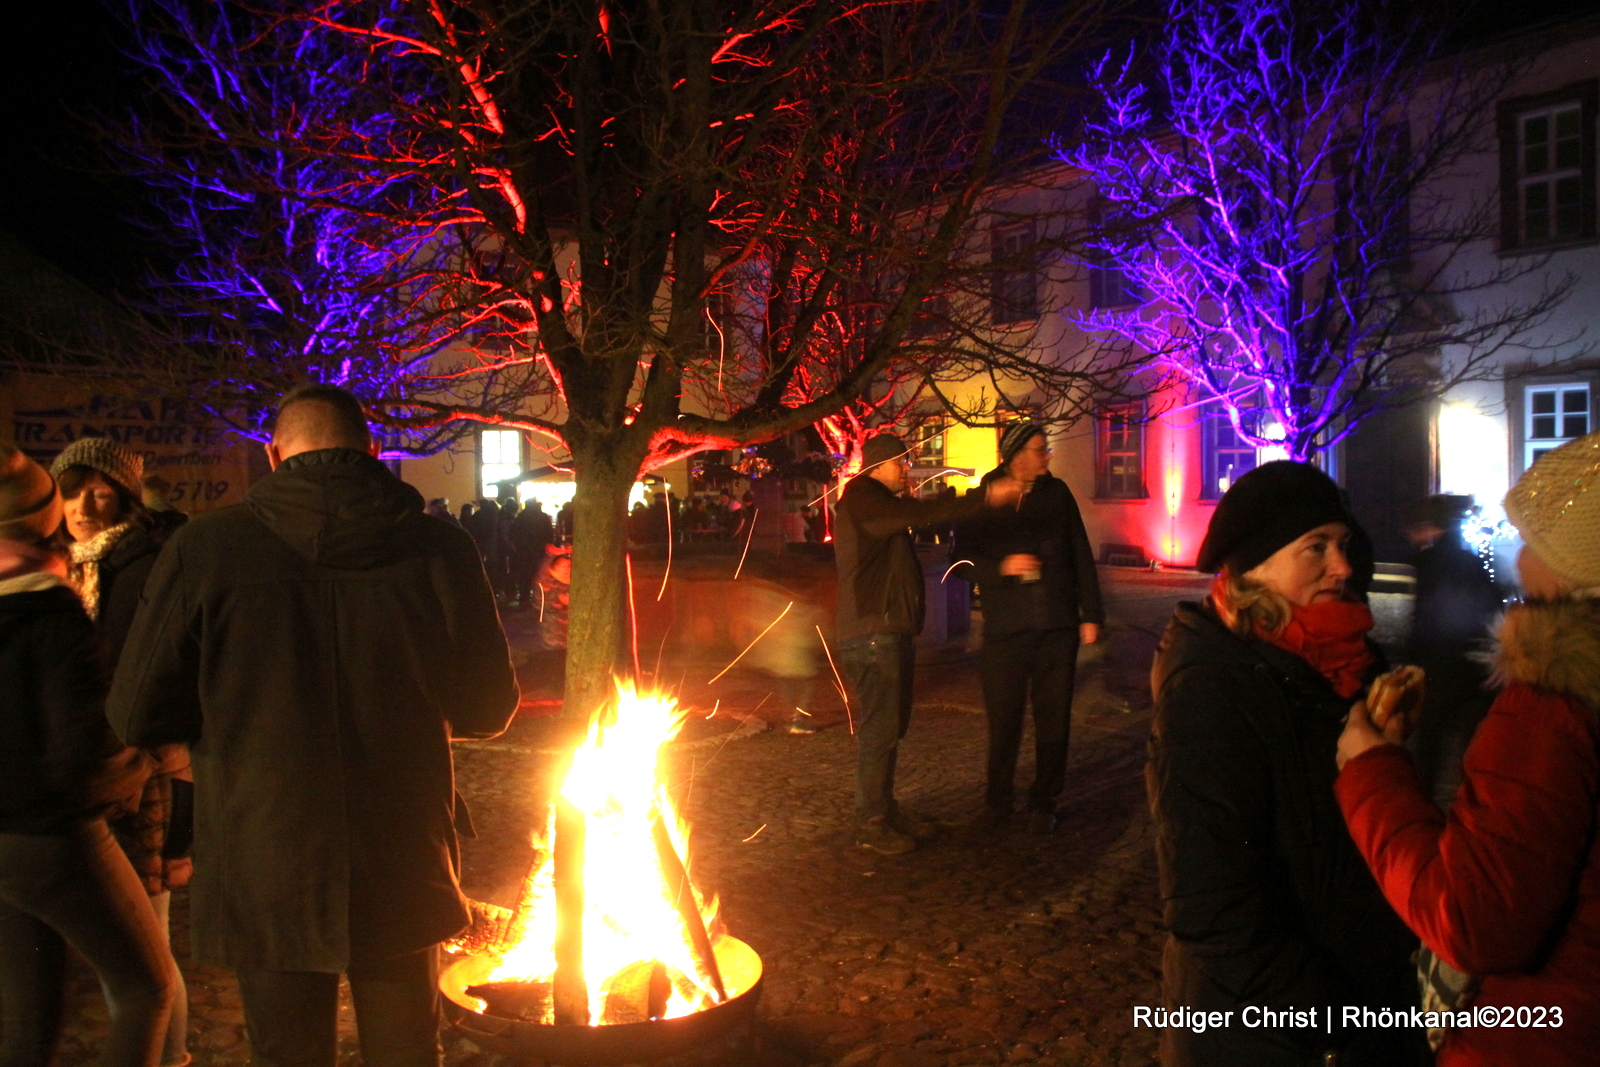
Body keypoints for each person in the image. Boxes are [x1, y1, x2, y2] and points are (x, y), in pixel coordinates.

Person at [105, 384, 520, 1067]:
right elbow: (487, 707)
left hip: (264, 848)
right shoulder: (440, 546)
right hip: (402, 846)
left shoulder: (205, 547)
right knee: (408, 1051)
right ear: (373, 449)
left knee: (288, 1053)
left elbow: (136, 710)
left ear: (274, 455)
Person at [1147, 461, 1426, 1066]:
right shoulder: (1211, 687)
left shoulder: (1350, 660)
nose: (1343, 567)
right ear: (1257, 568)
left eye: (1343, 544)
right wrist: (1342, 1023)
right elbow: (1214, 911)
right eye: (1316, 548)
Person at [1336, 430, 1600, 1067]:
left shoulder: (1555, 700)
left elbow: (1472, 918)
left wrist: (1370, 771)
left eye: (1531, 537)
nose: (1515, 554)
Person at [0, 444, 176, 1067]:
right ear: (44, 515)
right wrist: (140, 766)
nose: (83, 506)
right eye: (68, 493)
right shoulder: (46, 604)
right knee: (146, 988)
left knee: (29, 1005)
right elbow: (77, 746)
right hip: (50, 829)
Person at [50, 439, 193, 1067]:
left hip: (140, 770)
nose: (83, 504)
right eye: (71, 488)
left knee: (147, 948)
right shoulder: (67, 564)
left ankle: (173, 1057)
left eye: (99, 490)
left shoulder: (145, 564)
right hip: (88, 771)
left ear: (126, 497)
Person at [834, 432, 1021, 855]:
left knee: (890, 727)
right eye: (900, 462)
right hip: (872, 634)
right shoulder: (863, 498)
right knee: (880, 729)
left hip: (886, 631)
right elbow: (916, 512)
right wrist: (984, 498)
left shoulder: (873, 502)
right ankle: (871, 821)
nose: (907, 470)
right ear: (878, 466)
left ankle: (884, 808)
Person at [960, 422, 1104, 834]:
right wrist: (999, 568)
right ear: (1017, 454)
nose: (1047, 457)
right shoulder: (986, 494)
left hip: (1055, 627)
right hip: (1006, 630)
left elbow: (1080, 553)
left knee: (1053, 719)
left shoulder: (1057, 495)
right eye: (1041, 450)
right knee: (1004, 720)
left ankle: (1044, 800)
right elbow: (960, 561)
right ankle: (997, 801)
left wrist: (1091, 614)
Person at [1400, 494, 1502, 808]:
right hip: (1470, 665)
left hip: (1437, 664)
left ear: (1430, 528)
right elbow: (1492, 607)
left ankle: (1425, 805)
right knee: (1469, 746)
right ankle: (1470, 806)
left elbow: (1420, 619)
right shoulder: (1472, 561)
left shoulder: (1423, 564)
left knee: (1429, 744)